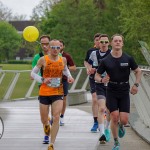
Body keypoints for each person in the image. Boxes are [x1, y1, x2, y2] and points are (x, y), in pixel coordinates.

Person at [95, 34, 142, 150]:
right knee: (114, 117)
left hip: (125, 90)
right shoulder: (106, 60)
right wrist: (101, 80)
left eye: (119, 41)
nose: (117, 42)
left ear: (122, 44)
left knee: (124, 119)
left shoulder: (128, 58)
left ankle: (121, 126)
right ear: (111, 43)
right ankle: (116, 142)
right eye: (115, 41)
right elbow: (97, 75)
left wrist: (136, 85)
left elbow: (138, 71)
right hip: (111, 90)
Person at [31, 39, 74, 150]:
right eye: (53, 48)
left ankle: (52, 143)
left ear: (61, 48)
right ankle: (46, 125)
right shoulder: (43, 59)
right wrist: (42, 79)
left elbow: (65, 70)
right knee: (44, 119)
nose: (55, 50)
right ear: (49, 48)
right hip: (44, 92)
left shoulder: (63, 59)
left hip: (57, 91)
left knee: (56, 117)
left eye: (57, 48)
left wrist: (69, 77)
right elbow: (32, 73)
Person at [87, 34, 111, 144]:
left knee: (110, 110)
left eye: (106, 42)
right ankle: (101, 134)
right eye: (102, 42)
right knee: (101, 108)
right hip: (99, 83)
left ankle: (106, 128)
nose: (104, 44)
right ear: (98, 43)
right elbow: (89, 65)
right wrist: (90, 70)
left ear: (109, 43)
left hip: (111, 85)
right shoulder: (93, 53)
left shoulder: (112, 53)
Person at [31, 35, 51, 144]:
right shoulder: (37, 57)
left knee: (55, 114)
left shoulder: (57, 54)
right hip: (43, 87)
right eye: (42, 44)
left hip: (57, 87)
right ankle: (46, 135)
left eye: (47, 43)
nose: (44, 46)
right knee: (44, 115)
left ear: (50, 43)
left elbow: (64, 69)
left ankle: (54, 120)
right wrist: (40, 77)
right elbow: (33, 72)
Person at [84, 33, 101, 132]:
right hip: (93, 77)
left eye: (101, 40)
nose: (99, 42)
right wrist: (88, 68)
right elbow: (86, 61)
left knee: (104, 100)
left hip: (105, 78)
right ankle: (95, 121)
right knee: (94, 99)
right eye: (97, 40)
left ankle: (103, 117)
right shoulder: (91, 51)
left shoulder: (108, 52)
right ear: (94, 42)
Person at [59, 39, 76, 126]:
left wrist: (65, 69)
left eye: (61, 45)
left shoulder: (66, 56)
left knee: (64, 98)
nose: (59, 47)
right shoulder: (51, 55)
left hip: (64, 79)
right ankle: (55, 116)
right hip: (54, 80)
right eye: (58, 45)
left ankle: (62, 116)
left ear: (63, 46)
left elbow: (74, 67)